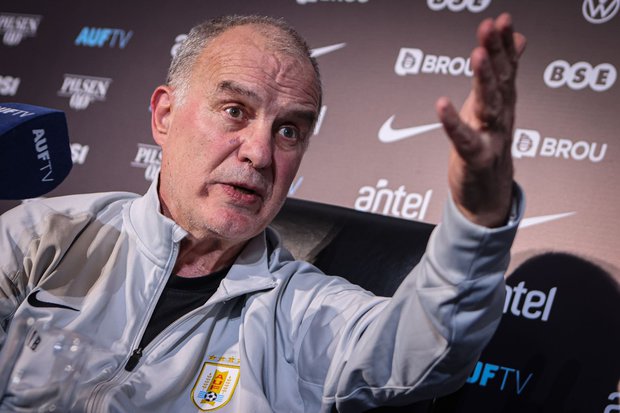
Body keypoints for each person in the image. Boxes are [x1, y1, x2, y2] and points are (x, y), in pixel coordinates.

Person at [0, 13, 526, 413]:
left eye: (289, 130)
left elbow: (423, 353)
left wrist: (478, 217)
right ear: (164, 116)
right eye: (235, 111)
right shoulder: (45, 235)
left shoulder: (304, 313)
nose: (260, 152)